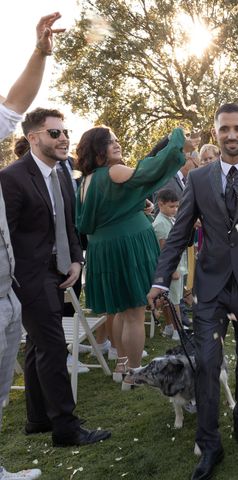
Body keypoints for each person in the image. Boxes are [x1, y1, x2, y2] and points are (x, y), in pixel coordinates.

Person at [147, 103, 238, 480]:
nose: (231, 135)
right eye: (224, 129)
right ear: (216, 133)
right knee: (207, 363)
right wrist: (161, 280)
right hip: (208, 288)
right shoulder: (199, 178)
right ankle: (210, 444)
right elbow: (179, 234)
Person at [0, 106, 112, 451]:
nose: (64, 138)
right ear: (33, 138)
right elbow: (7, 236)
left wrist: (77, 261)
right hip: (27, 278)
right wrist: (16, 280)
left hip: (61, 270)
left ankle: (37, 418)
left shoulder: (63, 173)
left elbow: (69, 223)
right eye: (55, 133)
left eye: (65, 132)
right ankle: (66, 428)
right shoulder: (12, 178)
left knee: (38, 345)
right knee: (51, 346)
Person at [0, 13, 66, 480]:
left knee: (1, 390)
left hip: (5, 294)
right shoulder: (14, 178)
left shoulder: (59, 173)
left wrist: (41, 52)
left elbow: (15, 102)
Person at [75, 126, 187, 388]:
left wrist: (139, 204)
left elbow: (113, 206)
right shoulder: (114, 171)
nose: (116, 144)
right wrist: (176, 142)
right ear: (97, 149)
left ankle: (122, 364)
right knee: (135, 312)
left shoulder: (86, 180)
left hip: (105, 249)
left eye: (116, 139)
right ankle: (136, 374)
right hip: (127, 248)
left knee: (120, 312)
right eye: (109, 142)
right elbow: (147, 174)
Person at [152, 188, 187, 340]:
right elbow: (165, 249)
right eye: (171, 206)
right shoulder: (160, 223)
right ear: (160, 204)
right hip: (171, 267)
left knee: (170, 299)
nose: (175, 209)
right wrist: (172, 270)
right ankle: (177, 330)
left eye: (177, 206)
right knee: (174, 301)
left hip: (176, 265)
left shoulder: (168, 219)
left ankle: (169, 327)